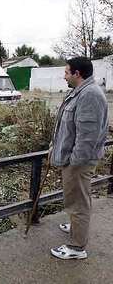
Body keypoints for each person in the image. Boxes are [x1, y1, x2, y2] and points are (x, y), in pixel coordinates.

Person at [49, 57, 108, 260]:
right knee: (76, 199)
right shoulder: (78, 92)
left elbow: (87, 137)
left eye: (66, 72)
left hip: (79, 162)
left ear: (77, 74)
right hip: (73, 160)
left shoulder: (89, 95)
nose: (64, 75)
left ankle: (76, 247)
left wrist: (74, 162)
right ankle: (76, 227)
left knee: (78, 202)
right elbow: (68, 127)